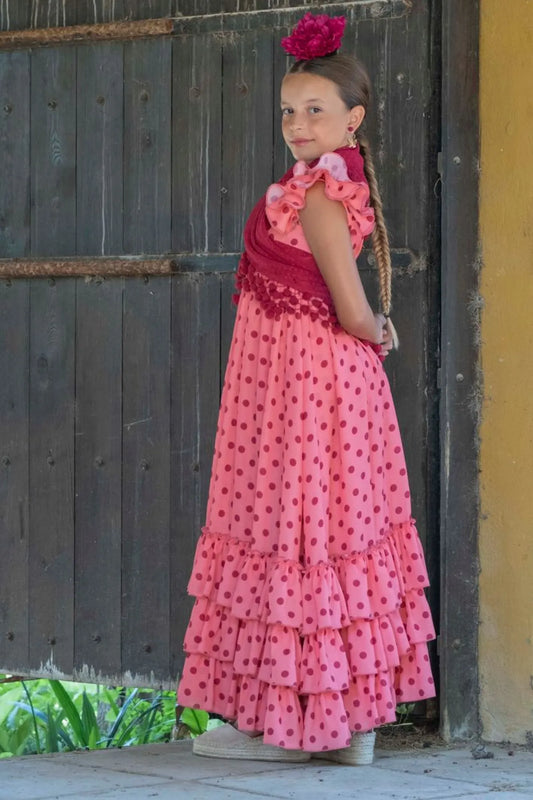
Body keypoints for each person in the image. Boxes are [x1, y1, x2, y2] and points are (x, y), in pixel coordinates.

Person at [177, 11, 436, 766]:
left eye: (314, 110)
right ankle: (343, 721)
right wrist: (369, 329)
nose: (297, 123)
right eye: (288, 111)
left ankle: (299, 726)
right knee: (327, 524)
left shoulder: (320, 191)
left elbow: (347, 302)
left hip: (306, 383)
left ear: (352, 119)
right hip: (309, 378)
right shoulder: (323, 182)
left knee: (297, 525)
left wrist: (374, 326)